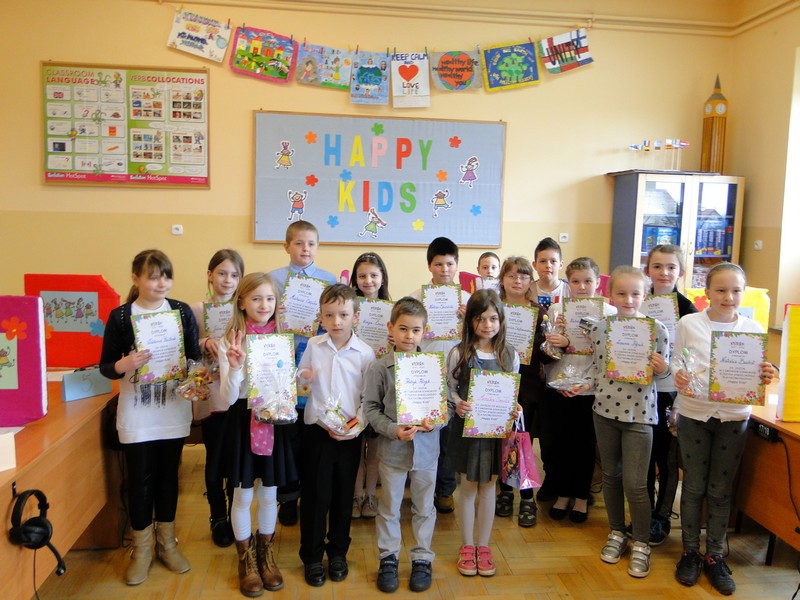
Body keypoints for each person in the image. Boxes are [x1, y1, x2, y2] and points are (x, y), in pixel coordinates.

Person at [672, 262, 776, 595]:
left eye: (735, 290)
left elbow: (760, 369)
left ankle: (715, 555)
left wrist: (767, 373)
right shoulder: (689, 323)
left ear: (743, 293)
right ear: (707, 293)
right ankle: (690, 552)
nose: (728, 297)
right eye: (720, 290)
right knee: (693, 487)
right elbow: (677, 360)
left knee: (720, 490)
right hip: (694, 414)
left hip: (734, 417)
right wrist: (678, 374)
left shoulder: (752, 328)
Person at [99, 249, 201, 586]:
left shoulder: (181, 312)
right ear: (135, 278)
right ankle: (141, 550)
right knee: (140, 480)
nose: (161, 283)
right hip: (137, 413)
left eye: (166, 277)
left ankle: (167, 544)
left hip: (172, 408)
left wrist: (196, 379)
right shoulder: (121, 316)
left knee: (168, 477)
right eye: (153, 277)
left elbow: (194, 359)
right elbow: (105, 366)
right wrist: (123, 364)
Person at [581, 265, 669, 579]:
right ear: (610, 294)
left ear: (645, 295)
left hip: (639, 416)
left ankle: (641, 542)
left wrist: (662, 368)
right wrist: (583, 386)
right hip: (604, 412)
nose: (628, 300)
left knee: (636, 484)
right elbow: (596, 369)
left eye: (635, 294)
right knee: (611, 477)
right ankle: (617, 532)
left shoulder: (657, 330)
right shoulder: (600, 329)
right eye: (621, 293)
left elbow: (665, 377)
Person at [219, 272, 299, 596]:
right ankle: (246, 560)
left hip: (273, 421)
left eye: (269, 298)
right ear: (241, 302)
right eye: (256, 298)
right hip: (242, 420)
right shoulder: (231, 340)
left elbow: (286, 385)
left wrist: (301, 377)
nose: (264, 305)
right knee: (242, 495)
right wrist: (236, 366)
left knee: (269, 493)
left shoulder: (281, 337)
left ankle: (266, 556)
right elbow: (227, 399)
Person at [296, 284, 375, 586]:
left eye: (343, 314)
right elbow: (301, 382)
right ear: (321, 316)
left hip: (349, 435)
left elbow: (367, 398)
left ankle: (338, 551)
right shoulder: (314, 345)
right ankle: (312, 555)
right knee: (316, 496)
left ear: (356, 316)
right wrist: (304, 378)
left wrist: (356, 427)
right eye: (329, 315)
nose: (336, 321)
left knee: (343, 495)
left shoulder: (365, 353)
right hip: (317, 431)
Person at [364, 297, 440, 593]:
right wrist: (393, 429)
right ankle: (388, 557)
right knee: (389, 507)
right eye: (403, 329)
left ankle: (422, 557)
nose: (409, 336)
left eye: (416, 330)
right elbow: (371, 409)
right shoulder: (379, 368)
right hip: (393, 451)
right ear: (391, 328)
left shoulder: (433, 366)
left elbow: (445, 406)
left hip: (426, 452)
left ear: (424, 332)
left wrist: (435, 423)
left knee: (424, 507)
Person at [446, 290, 521, 577]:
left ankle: (484, 546)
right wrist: (457, 403)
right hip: (467, 431)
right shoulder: (459, 353)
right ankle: (467, 546)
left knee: (489, 487)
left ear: (501, 320)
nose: (487, 325)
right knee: (467, 487)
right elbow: (450, 387)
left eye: (492, 319)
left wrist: (515, 409)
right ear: (470, 321)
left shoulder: (509, 354)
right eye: (480, 319)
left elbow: (513, 392)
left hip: (494, 433)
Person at [268, 221, 338, 526]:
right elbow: (263, 319)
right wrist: (277, 317)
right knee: (287, 434)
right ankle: (287, 496)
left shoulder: (328, 280)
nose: (305, 249)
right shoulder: (273, 280)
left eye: (311, 243)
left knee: (313, 430)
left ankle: (312, 493)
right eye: (298, 243)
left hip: (316, 363)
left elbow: (336, 323)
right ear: (287, 247)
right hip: (283, 364)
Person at [543, 257, 616, 524]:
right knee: (561, 444)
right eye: (576, 281)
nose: (582, 287)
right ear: (568, 283)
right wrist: (559, 341)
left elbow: (610, 356)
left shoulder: (609, 313)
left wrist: (590, 383)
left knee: (585, 446)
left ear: (598, 283)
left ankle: (582, 496)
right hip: (560, 386)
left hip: (590, 389)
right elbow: (548, 352)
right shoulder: (557, 310)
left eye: (588, 281)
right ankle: (563, 494)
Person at [640, 244, 697, 544]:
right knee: (645, 455)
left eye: (671, 267)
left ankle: (661, 516)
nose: (664, 272)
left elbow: (695, 356)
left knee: (667, 457)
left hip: (671, 394)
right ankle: (644, 512)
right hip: (639, 391)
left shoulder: (688, 310)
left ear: (681, 272)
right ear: (647, 270)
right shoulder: (638, 300)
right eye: (657, 266)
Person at [409, 236, 470, 514]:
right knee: (425, 432)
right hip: (425, 374)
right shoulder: (416, 299)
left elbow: (481, 336)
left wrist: (468, 321)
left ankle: (445, 489)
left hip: (456, 375)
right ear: (429, 266)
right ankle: (422, 489)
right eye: (438, 264)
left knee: (449, 436)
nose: (444, 269)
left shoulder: (467, 301)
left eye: (449, 264)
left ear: (456, 265)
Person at [191, 249, 244, 548]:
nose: (227, 280)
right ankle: (217, 517)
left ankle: (235, 516)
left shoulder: (243, 308)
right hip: (210, 394)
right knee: (214, 459)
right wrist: (205, 341)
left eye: (234, 275)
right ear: (210, 274)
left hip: (235, 395)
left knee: (234, 460)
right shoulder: (196, 309)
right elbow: (187, 346)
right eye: (222, 273)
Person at [494, 256, 549, 527]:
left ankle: (527, 497)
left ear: (530, 281)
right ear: (502, 279)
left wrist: (553, 343)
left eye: (524, 276)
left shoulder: (539, 312)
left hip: (528, 386)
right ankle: (505, 490)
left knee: (522, 440)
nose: (518, 281)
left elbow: (545, 355)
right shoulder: (493, 308)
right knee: (503, 439)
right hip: (497, 383)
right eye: (512, 275)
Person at [349, 252, 392, 519]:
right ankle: (355, 495)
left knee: (375, 447)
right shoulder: (349, 309)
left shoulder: (392, 310)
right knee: (356, 444)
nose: (368, 280)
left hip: (381, 386)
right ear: (355, 279)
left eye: (373, 275)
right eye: (362, 275)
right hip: (353, 384)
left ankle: (371, 496)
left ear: (382, 278)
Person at [530, 237, 570, 502]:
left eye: (553, 261)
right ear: (535, 264)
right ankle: (547, 480)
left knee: (557, 433)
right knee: (541, 430)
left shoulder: (570, 293)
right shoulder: (527, 292)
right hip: (534, 372)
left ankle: (562, 481)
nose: (548, 266)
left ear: (561, 264)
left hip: (563, 372)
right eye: (542, 261)